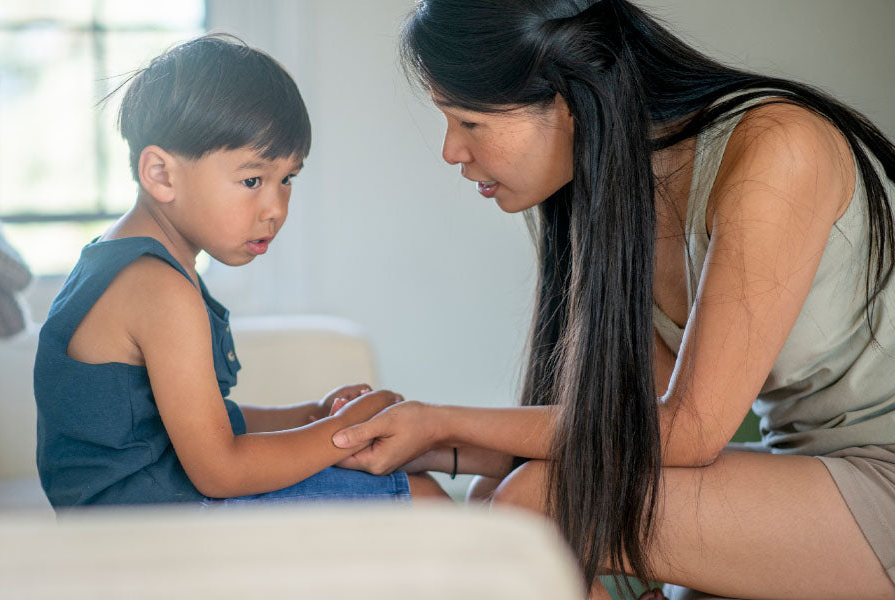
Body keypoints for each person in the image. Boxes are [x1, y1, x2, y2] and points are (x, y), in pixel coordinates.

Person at [330, 1, 895, 598]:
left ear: (570, 100)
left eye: (469, 121)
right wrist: (424, 443)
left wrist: (441, 421)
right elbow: (632, 433)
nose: (450, 150)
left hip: (878, 475)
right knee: (501, 495)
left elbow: (690, 433)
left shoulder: (777, 147)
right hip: (807, 470)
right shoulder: (622, 191)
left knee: (535, 507)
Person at [33, 34, 446, 509]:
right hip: (146, 527)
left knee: (403, 471)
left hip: (150, 507)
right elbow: (220, 469)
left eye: (287, 179)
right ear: (161, 174)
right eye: (252, 180)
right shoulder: (157, 287)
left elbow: (199, 424)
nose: (276, 208)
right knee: (421, 497)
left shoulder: (123, 260)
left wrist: (311, 415)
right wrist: (340, 433)